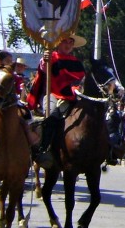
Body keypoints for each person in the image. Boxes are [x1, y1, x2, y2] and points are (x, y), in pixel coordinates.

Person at [27, 34, 88, 170]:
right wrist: (45, 60)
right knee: (52, 114)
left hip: (72, 96)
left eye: (70, 42)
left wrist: (77, 90)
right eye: (64, 41)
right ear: (58, 43)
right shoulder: (51, 57)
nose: (68, 44)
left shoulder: (76, 62)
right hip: (52, 94)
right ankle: (44, 149)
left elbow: (81, 80)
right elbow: (43, 69)